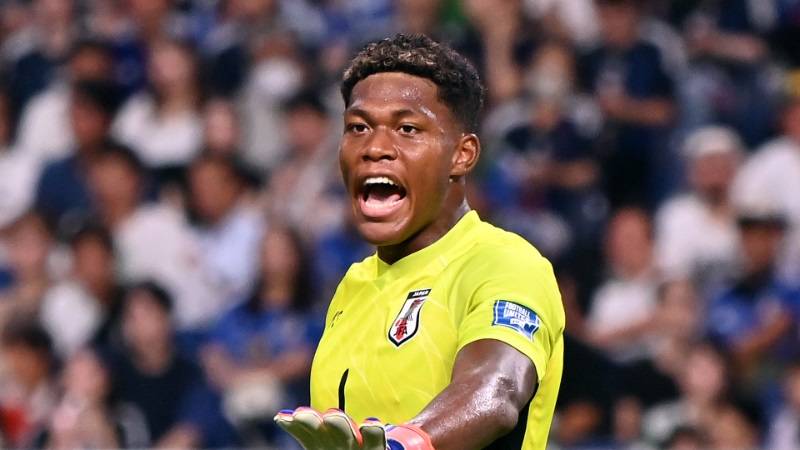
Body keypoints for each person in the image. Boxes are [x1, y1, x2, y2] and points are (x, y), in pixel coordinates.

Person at [275, 34, 565, 450]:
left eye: (407, 129)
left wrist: (402, 445)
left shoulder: (504, 263)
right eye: (358, 127)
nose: (375, 148)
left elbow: (496, 391)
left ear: (462, 154)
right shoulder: (353, 286)